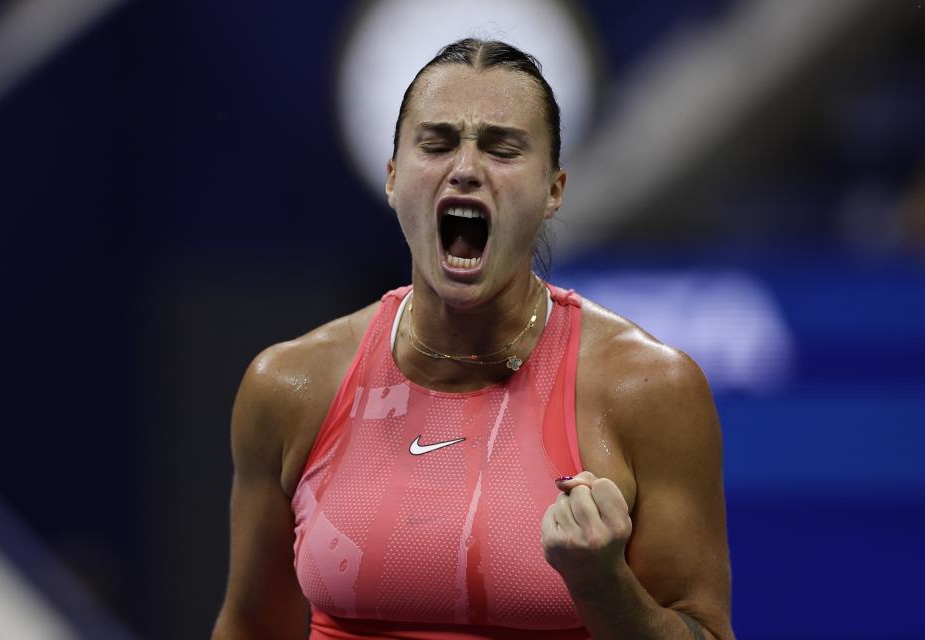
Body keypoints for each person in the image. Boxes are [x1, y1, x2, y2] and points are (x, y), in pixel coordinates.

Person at [211, 38, 734, 640]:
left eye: (502, 148)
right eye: (435, 145)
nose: (464, 168)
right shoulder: (290, 386)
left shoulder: (649, 390)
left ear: (553, 191)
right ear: (392, 178)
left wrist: (599, 582)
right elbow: (252, 627)